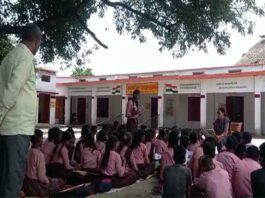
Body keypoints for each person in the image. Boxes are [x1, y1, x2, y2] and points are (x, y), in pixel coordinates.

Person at [0, 23, 42, 197]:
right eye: (39, 42)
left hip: (9, 127)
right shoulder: (24, 58)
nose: (39, 46)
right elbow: (10, 91)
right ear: (35, 40)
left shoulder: (10, 57)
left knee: (5, 177)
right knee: (13, 179)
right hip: (16, 128)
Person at [23, 129, 61, 197]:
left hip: (26, 184)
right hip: (35, 186)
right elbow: (41, 177)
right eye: (42, 137)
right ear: (40, 139)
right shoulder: (39, 154)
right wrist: (49, 181)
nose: (43, 139)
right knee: (57, 186)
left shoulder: (28, 152)